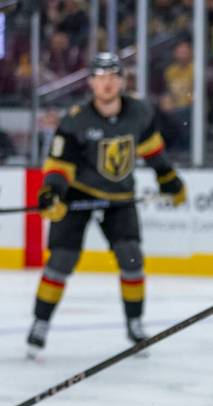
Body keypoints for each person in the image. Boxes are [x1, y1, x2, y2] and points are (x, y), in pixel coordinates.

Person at [26, 52, 186, 355]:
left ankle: (135, 323)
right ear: (91, 83)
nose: (107, 83)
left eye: (113, 76)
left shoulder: (139, 112)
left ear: (123, 81)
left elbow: (153, 151)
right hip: (79, 195)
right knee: (60, 262)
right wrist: (52, 194)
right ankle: (40, 322)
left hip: (120, 198)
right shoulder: (76, 120)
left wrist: (169, 179)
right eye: (100, 77)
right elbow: (59, 165)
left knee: (132, 260)